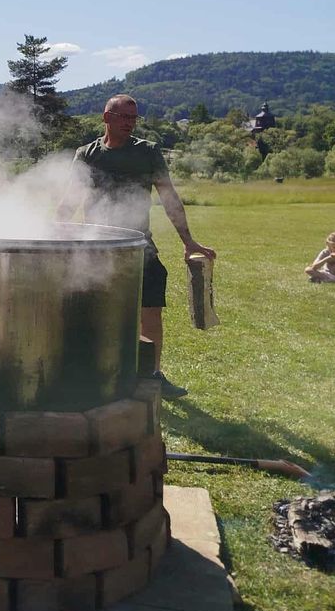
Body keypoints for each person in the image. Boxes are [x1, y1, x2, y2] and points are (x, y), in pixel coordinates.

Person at [55, 94, 216, 400]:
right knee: (93, 312)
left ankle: (152, 375)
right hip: (95, 250)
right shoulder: (87, 154)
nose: (130, 123)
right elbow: (70, 200)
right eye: (124, 117)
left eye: (134, 118)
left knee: (150, 311)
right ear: (107, 118)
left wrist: (188, 241)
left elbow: (169, 198)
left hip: (140, 246)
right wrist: (52, 234)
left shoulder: (148, 152)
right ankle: (92, 371)